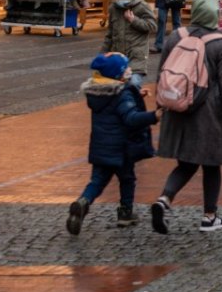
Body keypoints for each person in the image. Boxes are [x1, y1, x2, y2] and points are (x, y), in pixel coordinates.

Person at [151, 0, 222, 235]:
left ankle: (164, 199)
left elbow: (162, 72)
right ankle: (209, 217)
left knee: (186, 163)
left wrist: (161, 103)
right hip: (208, 114)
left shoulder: (176, 36)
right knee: (212, 165)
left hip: (178, 108)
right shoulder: (221, 44)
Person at [65, 52, 158, 235]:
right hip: (121, 148)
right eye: (127, 68)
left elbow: (113, 105)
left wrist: (136, 95)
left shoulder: (99, 93)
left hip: (101, 147)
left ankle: (83, 201)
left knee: (97, 181)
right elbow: (130, 118)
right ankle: (125, 212)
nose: (130, 70)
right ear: (119, 75)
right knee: (127, 179)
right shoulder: (122, 94)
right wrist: (154, 116)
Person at [103, 0, 156, 86]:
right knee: (116, 90)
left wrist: (134, 20)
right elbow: (109, 34)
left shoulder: (141, 6)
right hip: (118, 58)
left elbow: (152, 26)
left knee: (132, 86)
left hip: (136, 58)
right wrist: (102, 55)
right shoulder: (113, 8)